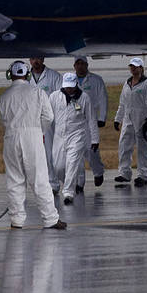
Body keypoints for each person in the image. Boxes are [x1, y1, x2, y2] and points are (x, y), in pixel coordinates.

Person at [0, 60, 66, 230]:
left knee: (14, 180)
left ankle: (17, 220)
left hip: (11, 137)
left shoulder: (4, 96)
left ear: (10, 75)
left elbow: (4, 120)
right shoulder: (37, 92)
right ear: (27, 75)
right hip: (32, 136)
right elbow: (49, 117)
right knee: (40, 179)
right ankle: (50, 218)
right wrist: (39, 132)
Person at [50, 72, 99, 204]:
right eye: (67, 86)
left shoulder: (84, 98)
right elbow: (47, 115)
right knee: (58, 167)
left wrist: (95, 139)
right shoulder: (54, 96)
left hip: (77, 136)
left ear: (76, 84)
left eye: (71, 86)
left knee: (72, 163)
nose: (69, 89)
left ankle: (68, 193)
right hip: (59, 136)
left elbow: (91, 119)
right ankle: (69, 182)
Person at [114, 56, 147, 187]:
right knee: (124, 146)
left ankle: (143, 175)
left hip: (141, 119)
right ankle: (124, 173)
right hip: (128, 120)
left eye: (135, 66)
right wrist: (117, 119)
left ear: (141, 68)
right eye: (131, 66)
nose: (133, 69)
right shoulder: (127, 83)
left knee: (142, 148)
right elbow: (122, 103)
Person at [27, 57, 63, 191]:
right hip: (31, 121)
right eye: (33, 59)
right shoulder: (25, 78)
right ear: (29, 61)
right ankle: (39, 183)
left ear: (42, 59)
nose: (36, 61)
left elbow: (61, 98)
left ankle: (53, 183)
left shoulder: (54, 76)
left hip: (49, 121)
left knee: (50, 152)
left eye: (38, 59)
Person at [74, 56, 108, 187]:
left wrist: (102, 118)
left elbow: (102, 99)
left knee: (92, 150)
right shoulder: (70, 81)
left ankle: (98, 172)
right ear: (74, 66)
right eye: (78, 64)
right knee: (77, 152)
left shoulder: (96, 80)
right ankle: (79, 182)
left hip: (91, 121)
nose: (80, 66)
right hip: (75, 121)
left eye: (83, 64)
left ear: (87, 65)